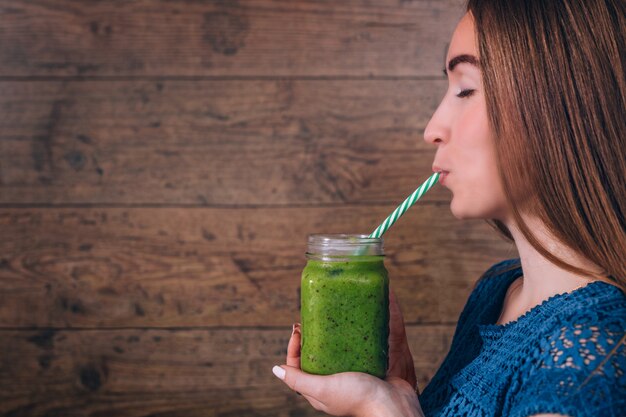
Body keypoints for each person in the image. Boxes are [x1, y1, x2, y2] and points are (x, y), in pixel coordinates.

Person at [272, 0, 626, 415]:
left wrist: (380, 411)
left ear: (562, 105)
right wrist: (404, 395)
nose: (432, 129)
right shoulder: (498, 291)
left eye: (465, 89)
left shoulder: (588, 363)